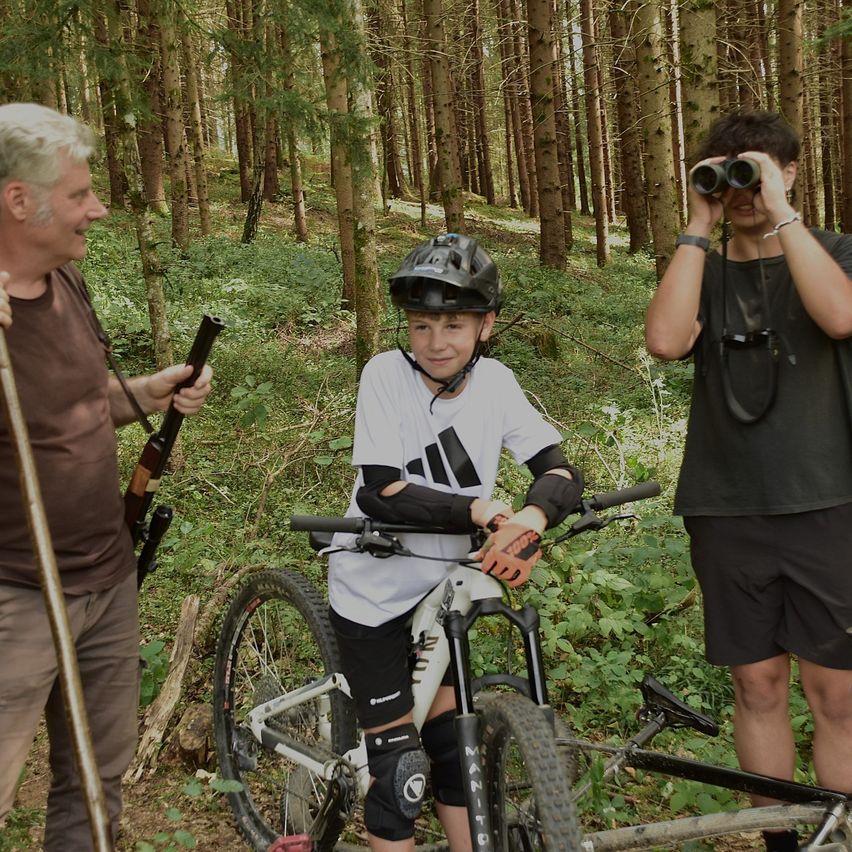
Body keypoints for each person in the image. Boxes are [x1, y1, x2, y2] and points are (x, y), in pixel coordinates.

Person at [0, 103, 213, 849]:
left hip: (105, 580)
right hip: (17, 598)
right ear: (19, 200)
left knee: (95, 785)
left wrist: (148, 394)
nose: (98, 207)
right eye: (81, 194)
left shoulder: (67, 285)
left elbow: (79, 410)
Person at [327, 232, 583, 851]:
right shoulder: (385, 375)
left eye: (453, 325)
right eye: (421, 326)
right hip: (374, 589)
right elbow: (379, 492)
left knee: (448, 751)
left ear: (486, 325)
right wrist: (477, 509)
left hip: (443, 593)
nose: (436, 342)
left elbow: (559, 469)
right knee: (398, 772)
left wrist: (529, 520)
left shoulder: (495, 383)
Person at [645, 111, 852, 852]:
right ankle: (781, 844)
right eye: (722, 172)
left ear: (790, 170)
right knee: (756, 685)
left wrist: (781, 213)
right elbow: (666, 341)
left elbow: (840, 315)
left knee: (838, 694)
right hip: (726, 505)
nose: (739, 187)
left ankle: (835, 835)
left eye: (754, 169)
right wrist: (699, 227)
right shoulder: (701, 265)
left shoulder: (833, 252)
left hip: (828, 499)